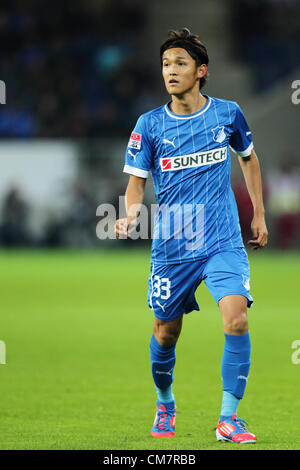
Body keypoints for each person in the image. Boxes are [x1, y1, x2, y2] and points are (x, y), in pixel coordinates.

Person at [115, 28, 268, 444]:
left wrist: (258, 214)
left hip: (222, 240)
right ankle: (165, 402)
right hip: (172, 246)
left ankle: (228, 419)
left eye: (180, 63)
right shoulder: (149, 125)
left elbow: (249, 159)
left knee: (236, 318)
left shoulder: (228, 114)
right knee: (166, 332)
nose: (171, 71)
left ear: (201, 71)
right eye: (166, 64)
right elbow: (135, 183)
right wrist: (130, 214)